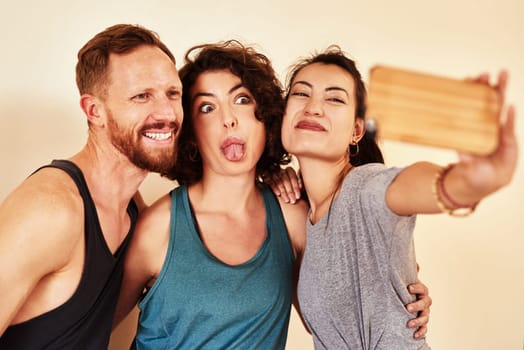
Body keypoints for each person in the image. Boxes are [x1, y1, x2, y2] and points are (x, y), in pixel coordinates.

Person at [113, 41, 432, 349]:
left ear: (266, 117)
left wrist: (403, 297)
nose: (228, 119)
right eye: (207, 107)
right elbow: (94, 323)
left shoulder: (293, 217)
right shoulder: (160, 226)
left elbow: (335, 307)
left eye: (241, 100)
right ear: (192, 132)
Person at [281, 46, 518, 349]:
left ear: (356, 131)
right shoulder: (297, 216)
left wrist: (473, 180)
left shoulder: (365, 188)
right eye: (301, 94)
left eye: (335, 98)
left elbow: (414, 185)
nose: (313, 107)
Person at [0, 24, 183, 349]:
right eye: (142, 96)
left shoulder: (132, 210)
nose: (167, 112)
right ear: (94, 110)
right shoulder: (49, 208)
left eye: (173, 93)